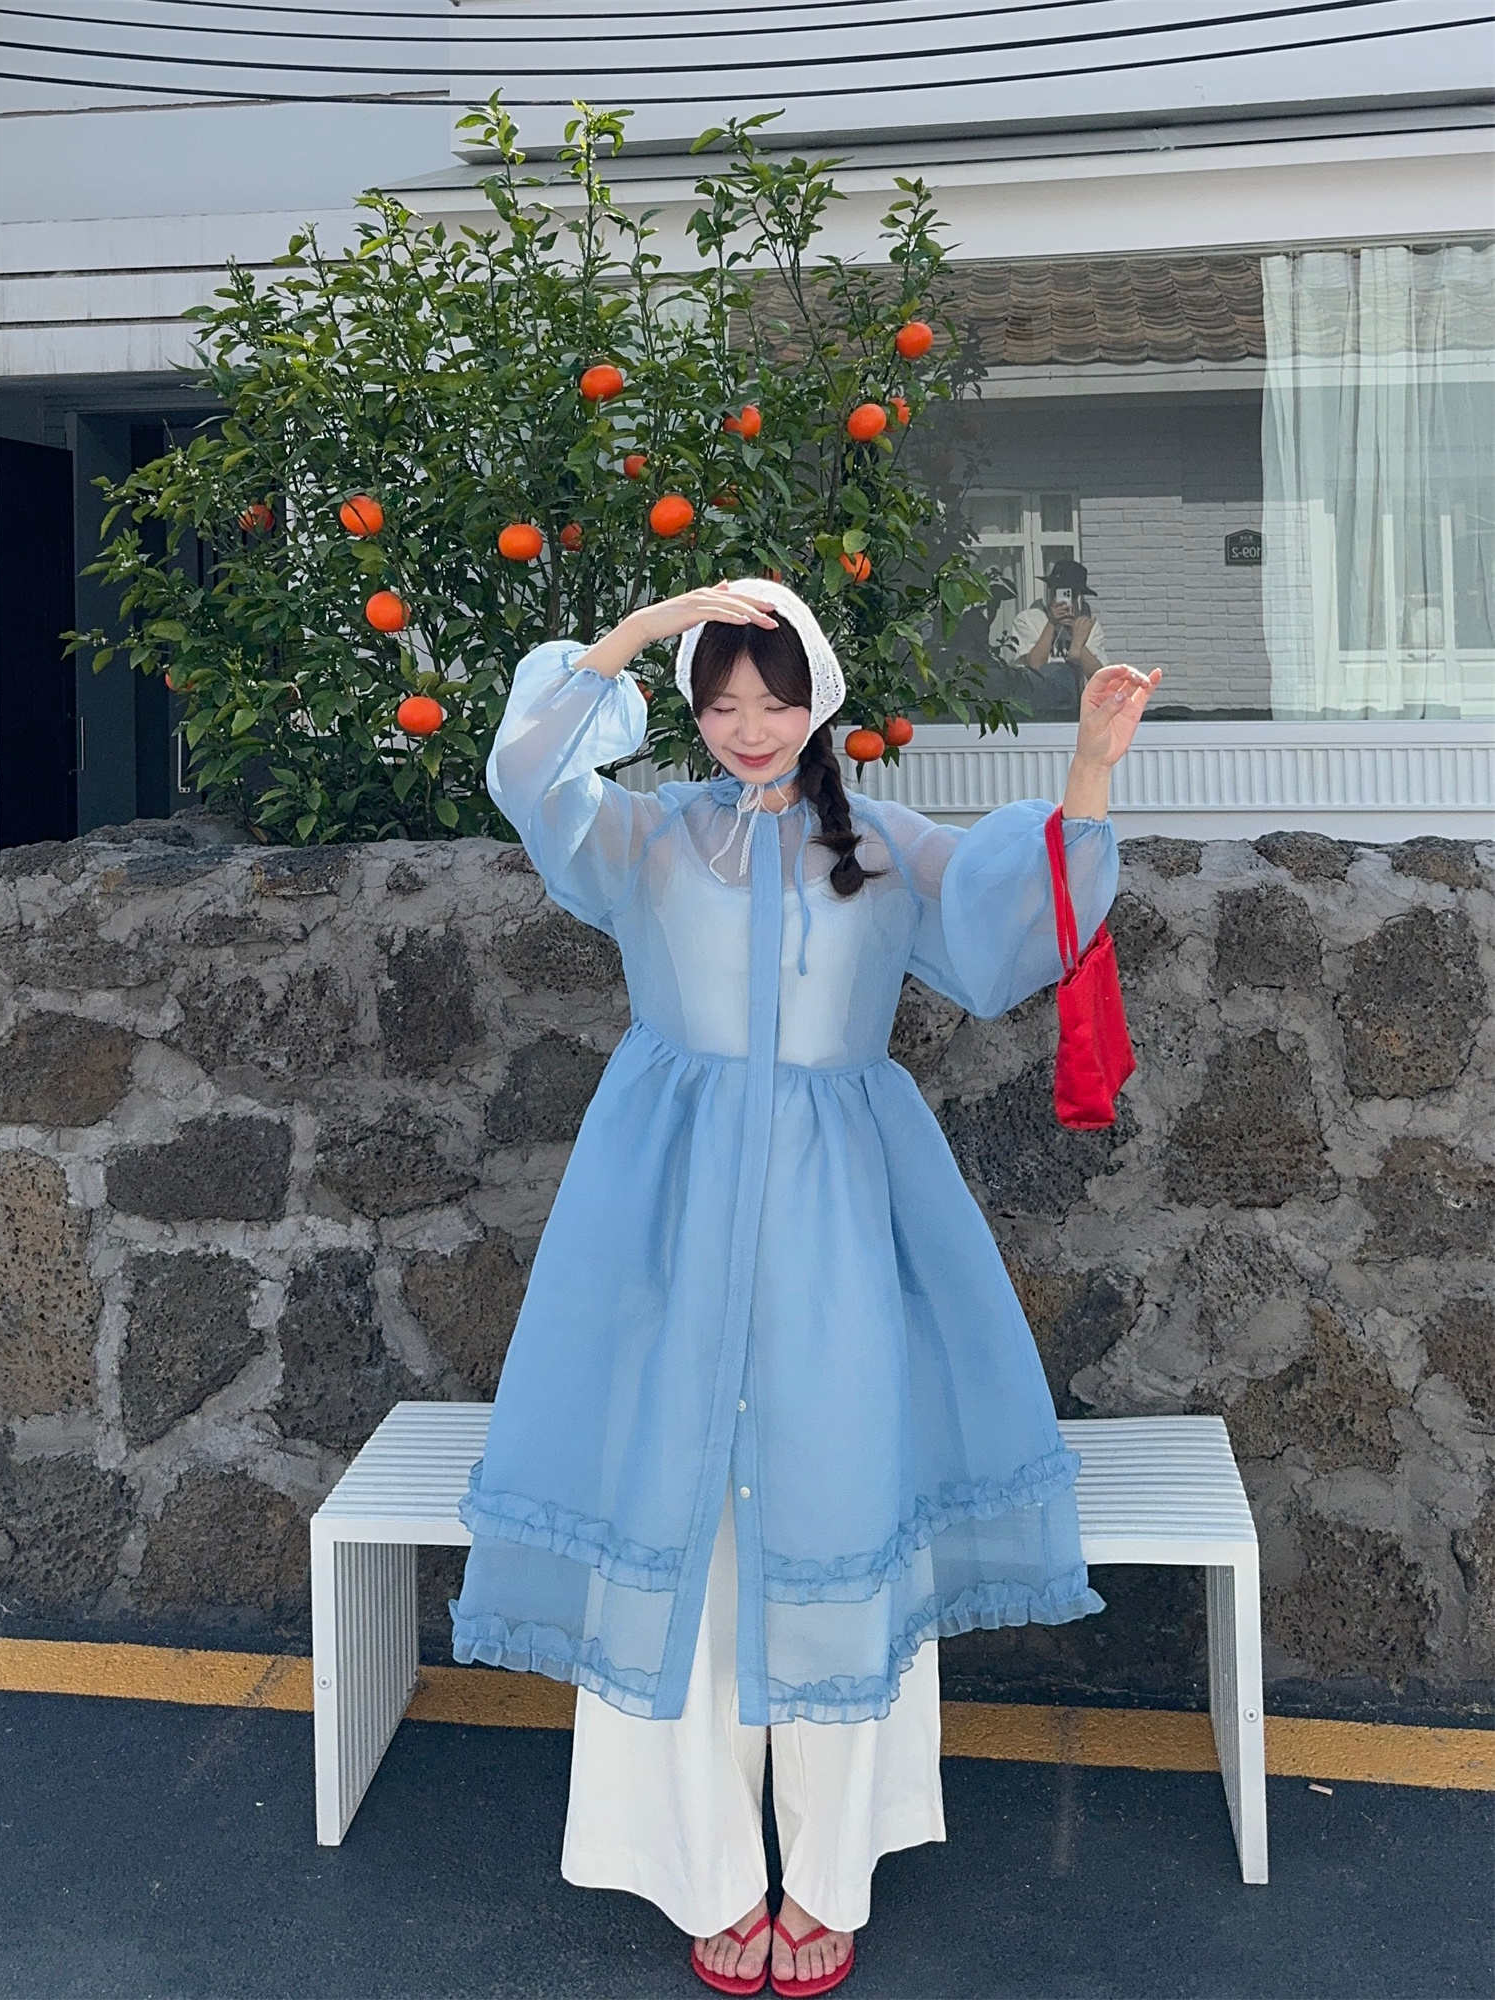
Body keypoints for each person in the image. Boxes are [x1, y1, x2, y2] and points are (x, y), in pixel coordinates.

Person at [449, 578, 1161, 1996]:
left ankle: (830, 1871)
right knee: (686, 1524)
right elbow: (531, 773)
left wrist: (1089, 766)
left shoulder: (884, 847)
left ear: (818, 700)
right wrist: (637, 635)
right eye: (719, 700)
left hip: (844, 1225)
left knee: (841, 1513)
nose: (747, 726)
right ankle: (703, 1867)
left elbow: (1019, 927)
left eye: (772, 699)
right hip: (664, 1227)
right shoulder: (647, 836)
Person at [1008, 558, 1108, 718]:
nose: (1065, 600)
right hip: (1037, 706)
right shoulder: (1028, 619)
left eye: (1072, 594)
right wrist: (1052, 623)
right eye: (1059, 592)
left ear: (1079, 596)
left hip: (1077, 707)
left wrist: (1078, 643)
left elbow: (1100, 677)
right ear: (1050, 590)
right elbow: (1034, 665)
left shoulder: (1087, 624)